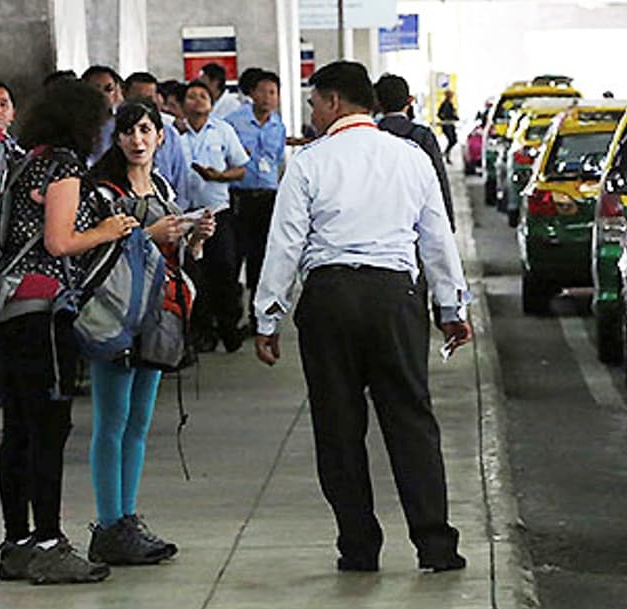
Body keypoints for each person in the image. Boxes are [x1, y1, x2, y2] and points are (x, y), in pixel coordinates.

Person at [252, 61, 472, 573]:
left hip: (329, 299)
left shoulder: (309, 161)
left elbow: (284, 243)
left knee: (338, 425)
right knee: (411, 421)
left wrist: (268, 316)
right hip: (394, 296)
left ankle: (358, 546)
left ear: (332, 102)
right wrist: (450, 306)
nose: (310, 113)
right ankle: (435, 546)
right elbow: (436, 238)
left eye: (312, 103)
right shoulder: (411, 157)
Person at [0, 79, 129, 585]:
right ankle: (49, 541)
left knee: (19, 429)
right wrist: (109, 230)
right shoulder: (66, 165)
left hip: (4, 307)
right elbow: (59, 241)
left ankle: (16, 541)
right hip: (44, 310)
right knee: (50, 426)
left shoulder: (24, 160)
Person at [85, 99, 215, 565]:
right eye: (128, 131)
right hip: (115, 315)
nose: (137, 140)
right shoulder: (101, 191)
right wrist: (149, 233)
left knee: (138, 422)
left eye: (146, 130)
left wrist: (193, 238)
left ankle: (126, 519)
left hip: (159, 315)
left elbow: (172, 256)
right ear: (115, 138)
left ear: (161, 136)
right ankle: (108, 523)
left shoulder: (162, 187)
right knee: (111, 421)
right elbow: (92, 255)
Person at [179, 79, 249, 353]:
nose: (197, 100)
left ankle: (229, 327)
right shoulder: (175, 135)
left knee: (225, 269)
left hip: (217, 212)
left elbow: (241, 168)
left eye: (203, 95)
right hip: (185, 215)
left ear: (211, 102)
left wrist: (219, 176)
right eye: (191, 96)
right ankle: (202, 330)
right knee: (195, 273)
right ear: (183, 104)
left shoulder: (222, 130)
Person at [224, 71, 286, 333]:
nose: (268, 97)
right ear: (252, 93)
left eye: (273, 92)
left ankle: (255, 317)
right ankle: (229, 317)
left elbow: (278, 161)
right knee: (233, 258)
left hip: (268, 199)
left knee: (262, 260)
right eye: (263, 91)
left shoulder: (277, 125)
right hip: (240, 197)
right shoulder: (233, 122)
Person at [374, 74, 455, 232]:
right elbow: (439, 178)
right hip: (417, 220)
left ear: (377, 103)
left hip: (379, 224)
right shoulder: (421, 135)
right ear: (409, 101)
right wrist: (448, 223)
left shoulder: (369, 135)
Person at [122, 72, 190, 200]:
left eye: (149, 99)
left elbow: (180, 180)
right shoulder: (112, 131)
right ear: (125, 95)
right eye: (138, 99)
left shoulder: (169, 133)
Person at [437, 89, 458, 164]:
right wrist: (449, 117)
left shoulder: (448, 103)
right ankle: (446, 154)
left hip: (449, 124)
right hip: (447, 125)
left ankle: (446, 153)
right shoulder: (446, 104)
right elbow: (440, 114)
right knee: (452, 140)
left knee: (453, 140)